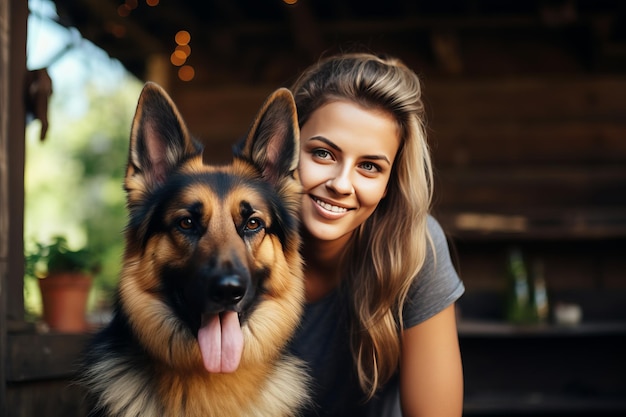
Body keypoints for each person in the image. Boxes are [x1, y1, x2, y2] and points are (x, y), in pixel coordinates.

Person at [286, 52, 465, 417]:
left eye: (369, 166)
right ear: (284, 147)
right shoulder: (233, 240)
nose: (340, 184)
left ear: (389, 184)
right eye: (322, 154)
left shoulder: (415, 247)